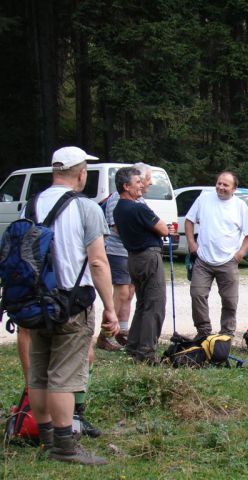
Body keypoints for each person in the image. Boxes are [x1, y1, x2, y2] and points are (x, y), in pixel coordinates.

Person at [27, 146, 118, 465]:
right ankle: (64, 446)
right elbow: (98, 262)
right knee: (65, 375)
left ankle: (46, 434)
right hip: (71, 301)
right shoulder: (86, 208)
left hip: (37, 301)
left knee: (39, 372)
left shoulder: (34, 203)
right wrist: (110, 307)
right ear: (81, 173)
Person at [185, 171, 248, 338]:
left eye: (225, 185)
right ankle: (203, 332)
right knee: (197, 294)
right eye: (219, 183)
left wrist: (240, 254)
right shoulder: (204, 199)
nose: (221, 187)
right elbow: (189, 221)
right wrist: (191, 244)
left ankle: (226, 334)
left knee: (230, 301)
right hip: (203, 259)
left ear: (234, 188)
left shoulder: (240, 206)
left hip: (228, 261)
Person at [113, 167, 171, 364]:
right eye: (137, 182)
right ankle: (146, 353)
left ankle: (134, 346)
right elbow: (163, 229)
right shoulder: (138, 207)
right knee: (155, 305)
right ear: (126, 187)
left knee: (142, 303)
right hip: (148, 257)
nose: (142, 185)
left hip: (133, 257)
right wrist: (162, 229)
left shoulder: (118, 209)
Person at [97, 162, 154, 351]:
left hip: (129, 251)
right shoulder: (117, 199)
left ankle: (121, 332)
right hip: (118, 251)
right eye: (146, 179)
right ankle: (105, 335)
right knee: (120, 292)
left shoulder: (138, 200)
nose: (149, 183)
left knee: (129, 293)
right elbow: (117, 227)